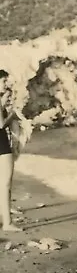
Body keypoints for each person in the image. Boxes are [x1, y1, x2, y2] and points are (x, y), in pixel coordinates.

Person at [0, 69, 23, 232]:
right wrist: (13, 114)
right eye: (3, 81)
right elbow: (0, 125)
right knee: (6, 183)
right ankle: (7, 222)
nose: (5, 84)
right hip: (1, 145)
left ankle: (6, 218)